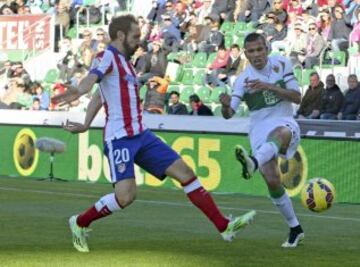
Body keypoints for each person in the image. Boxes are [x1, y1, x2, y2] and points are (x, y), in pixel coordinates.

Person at [52, 14, 256, 253]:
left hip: (141, 134)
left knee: (186, 173)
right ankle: (79, 222)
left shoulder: (126, 62)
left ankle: (224, 227)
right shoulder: (106, 56)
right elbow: (90, 83)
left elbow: (100, 95)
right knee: (126, 197)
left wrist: (87, 122)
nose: (140, 40)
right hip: (120, 140)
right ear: (120, 36)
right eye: (135, 36)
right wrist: (77, 91)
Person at [219, 33, 304, 248]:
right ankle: (295, 228)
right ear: (246, 54)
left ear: (266, 48)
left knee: (281, 133)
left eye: (259, 49)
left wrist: (270, 87)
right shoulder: (242, 80)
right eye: (251, 51)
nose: (256, 55)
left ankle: (253, 163)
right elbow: (229, 114)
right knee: (272, 179)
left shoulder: (282, 63)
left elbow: (297, 96)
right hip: (259, 128)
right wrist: (225, 104)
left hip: (283, 120)